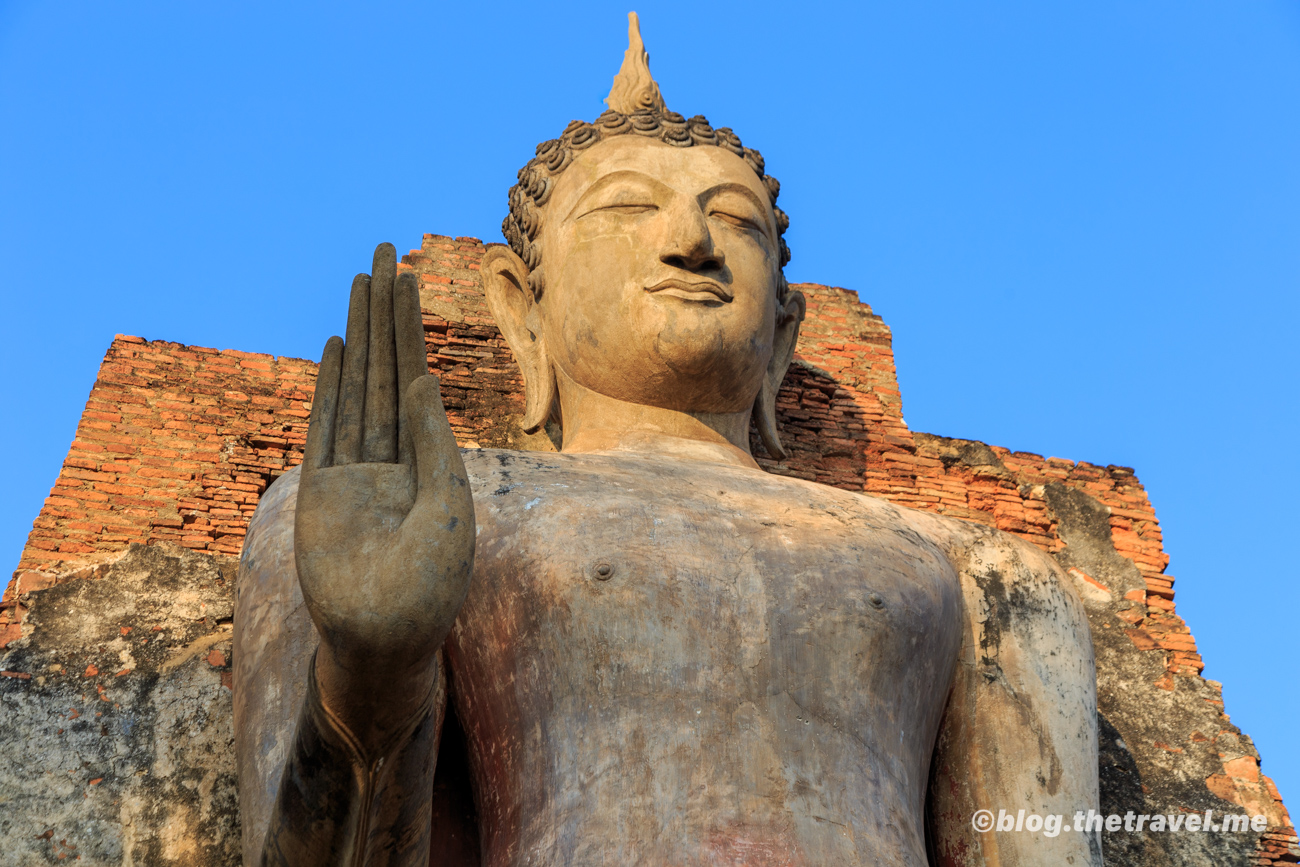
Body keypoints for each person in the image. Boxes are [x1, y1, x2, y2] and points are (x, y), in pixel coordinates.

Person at [235, 14, 1101, 866]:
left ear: (787, 331)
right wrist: (369, 680)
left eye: (735, 220)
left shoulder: (977, 572)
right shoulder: (423, 510)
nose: (690, 243)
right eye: (626, 207)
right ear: (518, 305)